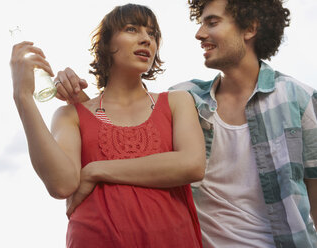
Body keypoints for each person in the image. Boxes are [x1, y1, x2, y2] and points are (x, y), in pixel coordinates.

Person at [57, 0, 317, 247]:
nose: (199, 34)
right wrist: (75, 93)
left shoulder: (298, 98)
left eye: (212, 23)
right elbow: (120, 119)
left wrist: (95, 170)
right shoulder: (188, 97)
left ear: (250, 28)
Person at [10, 3, 205, 248]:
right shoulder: (71, 115)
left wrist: (95, 170)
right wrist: (23, 97)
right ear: (106, 44)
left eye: (152, 33)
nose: (146, 39)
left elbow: (192, 164)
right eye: (132, 29)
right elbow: (62, 184)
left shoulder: (177, 102)